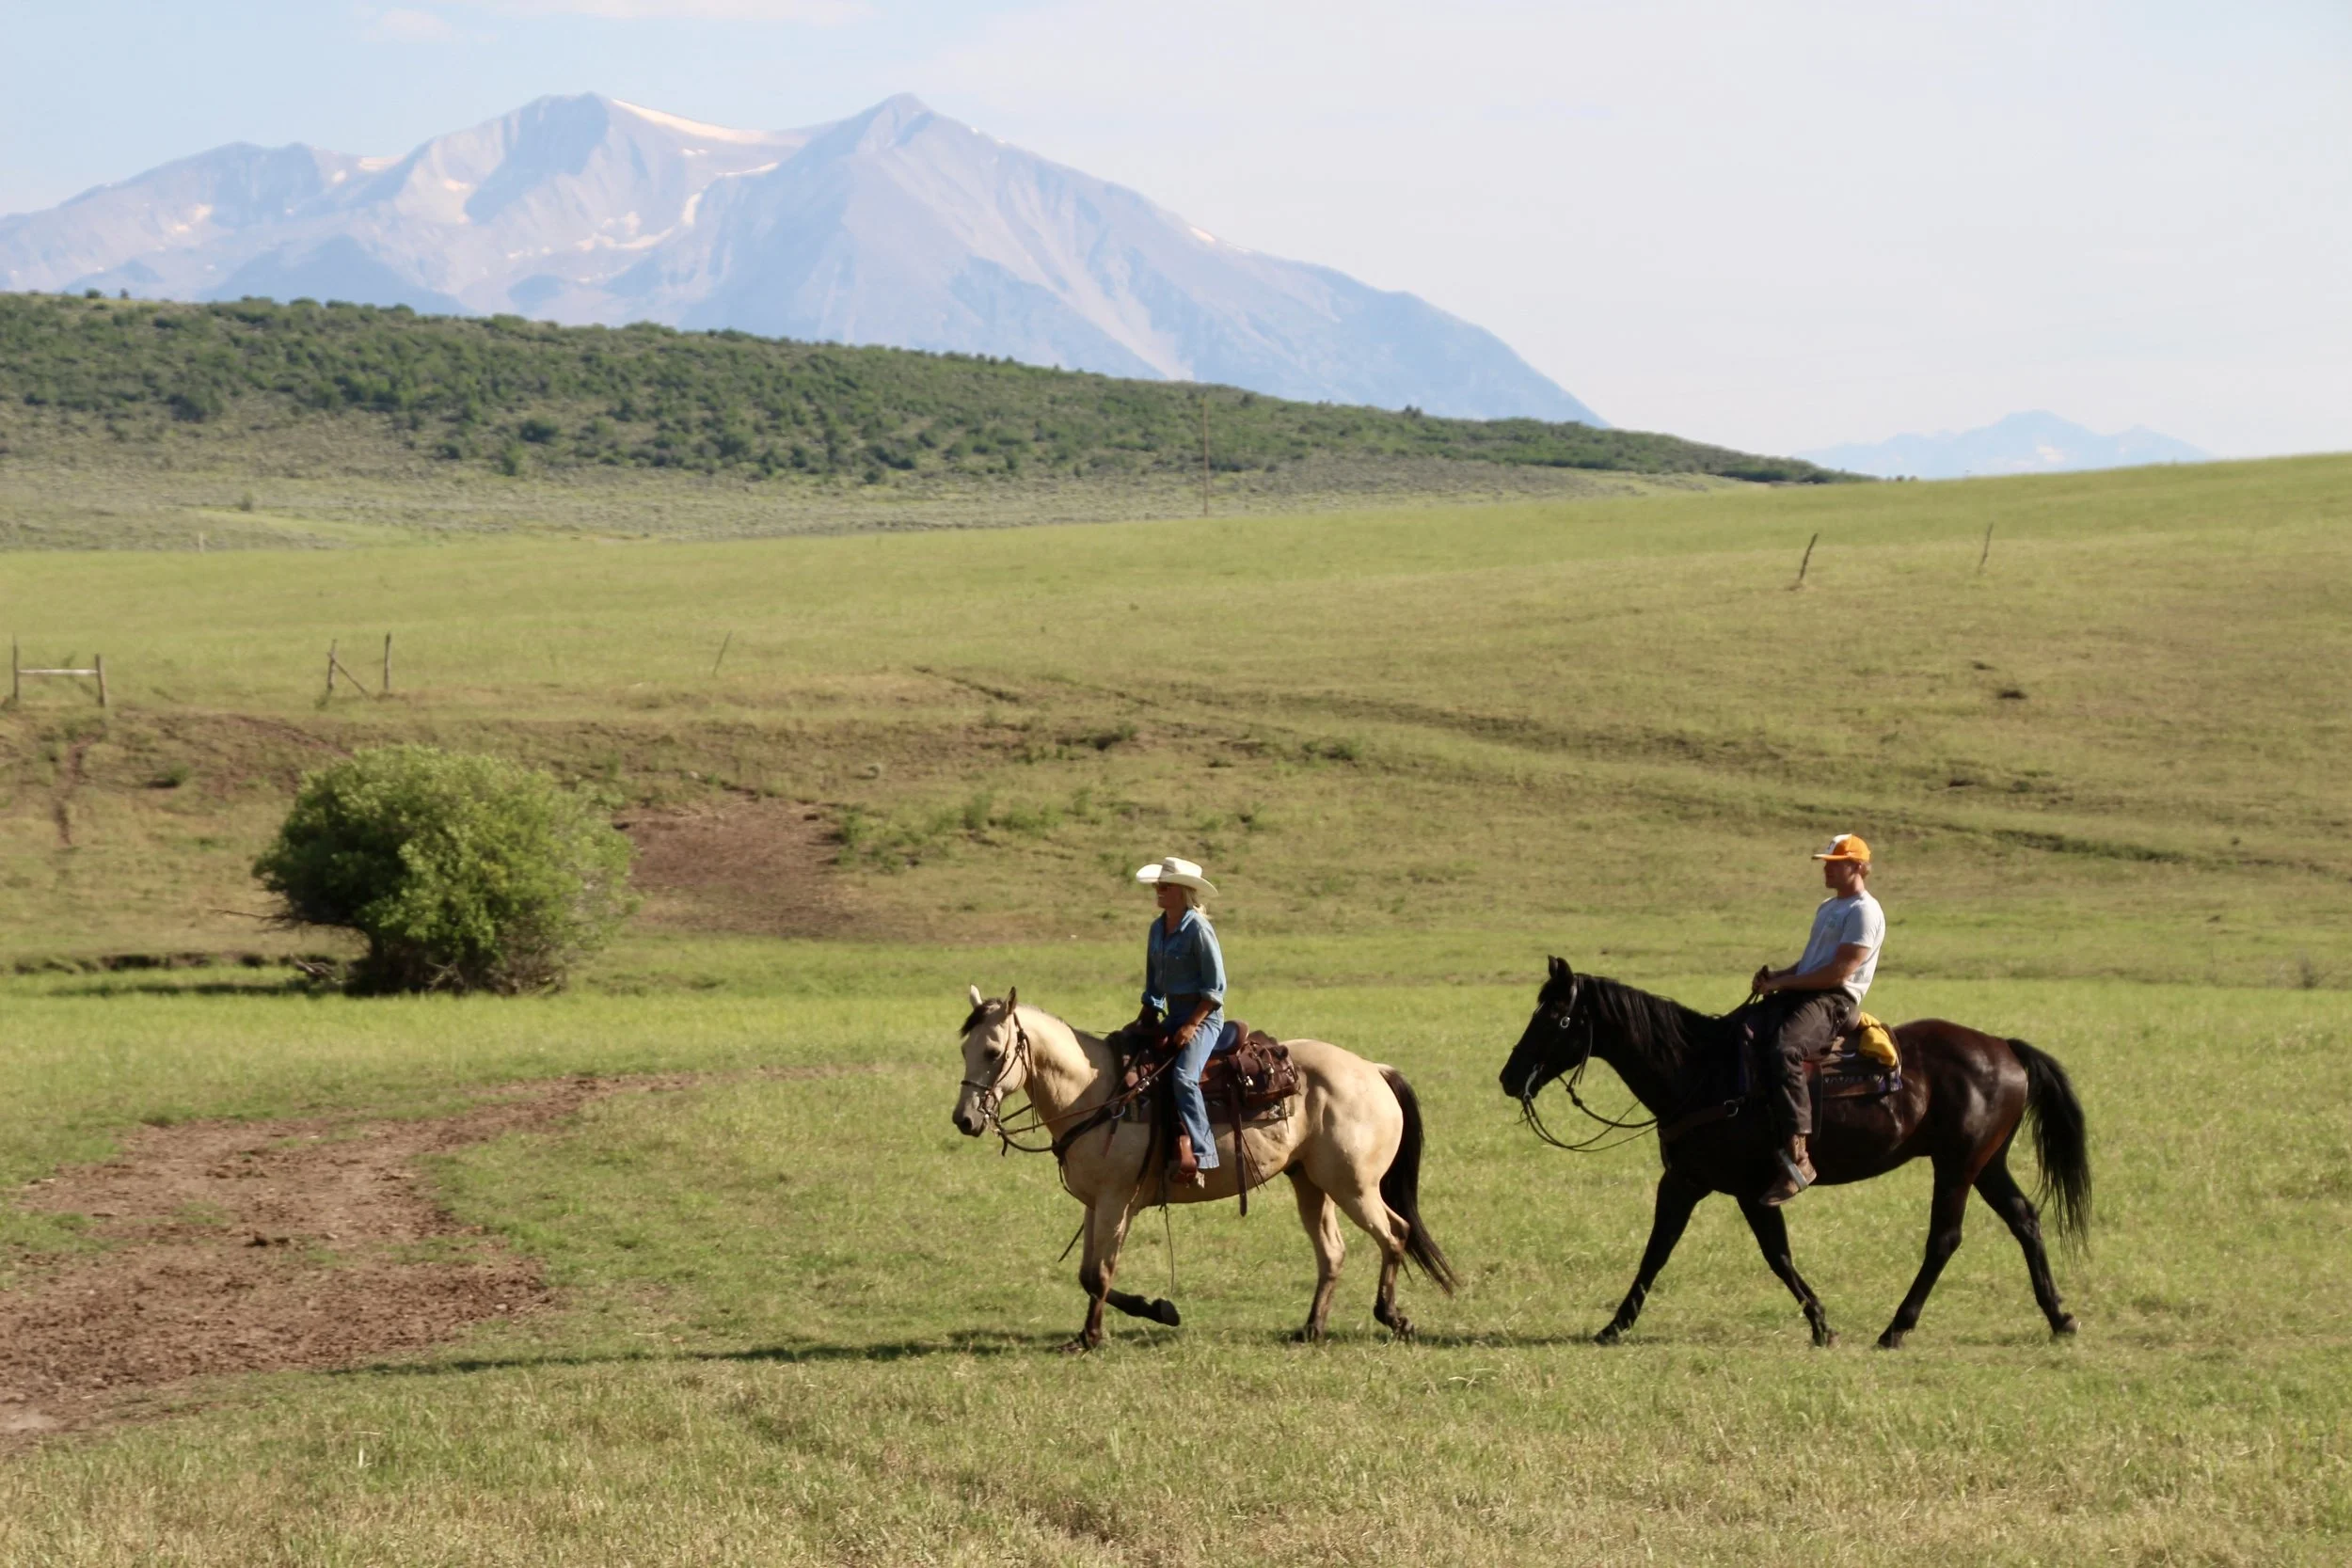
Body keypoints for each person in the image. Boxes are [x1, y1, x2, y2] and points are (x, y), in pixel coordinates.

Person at [1748, 832, 1885, 1206]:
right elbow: (1812, 964)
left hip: (1833, 1000)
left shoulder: (1864, 912)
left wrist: (1786, 983)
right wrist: (1777, 978)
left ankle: (1799, 1158)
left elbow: (1837, 973)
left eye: (1834, 864)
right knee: (1740, 1031)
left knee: (1786, 1050)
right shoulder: (1829, 907)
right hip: (1807, 991)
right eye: (1826, 864)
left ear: (1857, 867)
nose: (1826, 870)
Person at [1133, 855, 1227, 1185]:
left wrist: (1191, 1025)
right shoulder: (1157, 928)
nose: (1158, 890)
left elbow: (1215, 989)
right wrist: (1147, 1014)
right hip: (1173, 1014)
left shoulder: (1198, 929)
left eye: (1165, 885)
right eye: (1157, 884)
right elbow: (1154, 984)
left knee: (1185, 1077)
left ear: (1183, 891)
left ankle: (1203, 1154)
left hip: (1204, 1017)